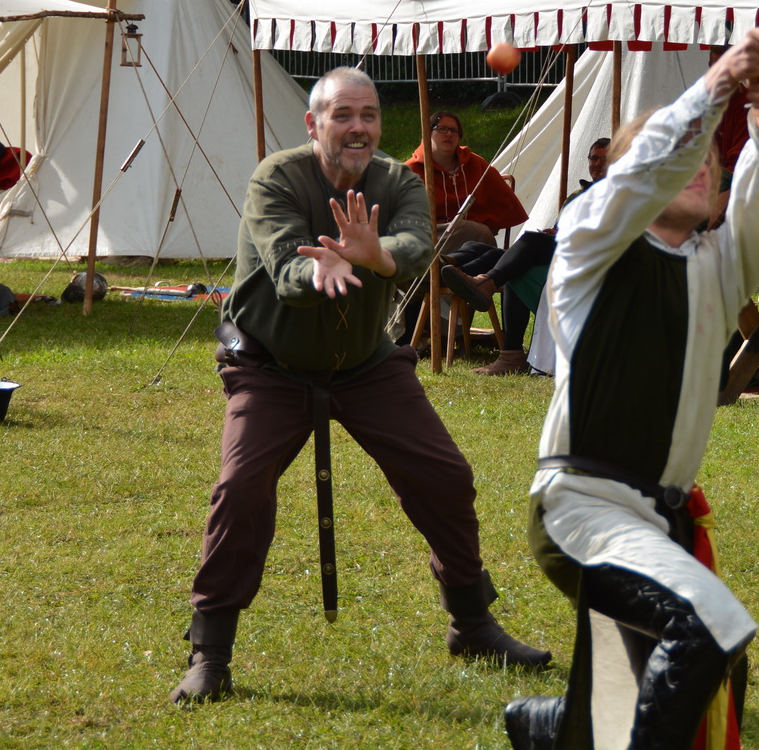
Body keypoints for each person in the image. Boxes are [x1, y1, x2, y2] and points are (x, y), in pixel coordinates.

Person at [170, 67, 549, 705]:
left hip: (367, 364)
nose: (358, 127)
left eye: (369, 115)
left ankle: (471, 621)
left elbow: (416, 242)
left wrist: (373, 255)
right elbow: (285, 261)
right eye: (343, 115)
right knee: (240, 490)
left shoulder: (398, 180)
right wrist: (323, 268)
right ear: (314, 124)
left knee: (445, 477)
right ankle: (210, 652)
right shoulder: (277, 178)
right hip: (271, 366)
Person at [502, 29, 759, 750]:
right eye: (686, 153)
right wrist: (720, 83)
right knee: (705, 627)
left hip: (659, 524)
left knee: (633, 705)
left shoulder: (720, 265)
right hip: (583, 510)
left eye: (714, 159)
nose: (702, 164)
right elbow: (641, 178)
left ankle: (546, 729)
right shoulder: (589, 242)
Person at [443, 138, 611, 376]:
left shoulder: (620, 195)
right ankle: (449, 266)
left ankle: (483, 282)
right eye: (594, 158)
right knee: (482, 248)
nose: (597, 164)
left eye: (605, 158)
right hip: (560, 251)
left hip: (586, 259)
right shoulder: (576, 195)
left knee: (528, 243)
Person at [406, 111, 528, 248]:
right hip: (428, 235)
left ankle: (452, 263)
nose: (448, 134)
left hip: (468, 234)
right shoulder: (411, 171)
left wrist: (483, 220)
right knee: (475, 232)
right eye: (441, 129)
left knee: (478, 232)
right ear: (427, 134)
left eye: (454, 130)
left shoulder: (474, 164)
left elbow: (503, 202)